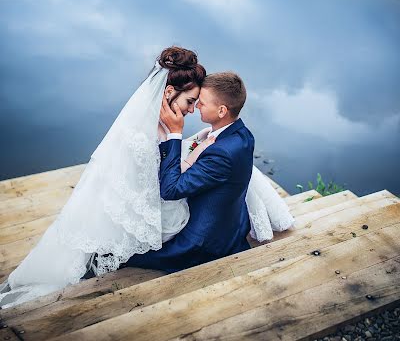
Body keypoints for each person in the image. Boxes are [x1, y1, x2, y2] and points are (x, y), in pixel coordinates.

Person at [0, 47, 294, 308]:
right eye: (191, 101)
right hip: (191, 209)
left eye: (197, 103)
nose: (192, 110)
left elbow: (170, 186)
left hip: (202, 237)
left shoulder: (205, 143)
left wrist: (179, 139)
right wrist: (181, 142)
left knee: (123, 256)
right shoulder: (235, 135)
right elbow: (157, 183)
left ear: (221, 110)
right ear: (168, 94)